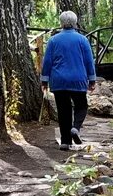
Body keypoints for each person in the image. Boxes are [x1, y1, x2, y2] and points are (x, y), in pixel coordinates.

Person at [40, 10, 97, 150]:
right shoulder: (82, 40)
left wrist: (44, 80)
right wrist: (92, 79)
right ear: (75, 23)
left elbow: (47, 62)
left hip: (59, 80)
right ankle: (76, 128)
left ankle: (65, 142)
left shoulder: (53, 40)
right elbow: (89, 61)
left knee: (63, 110)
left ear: (61, 23)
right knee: (81, 105)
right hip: (78, 79)